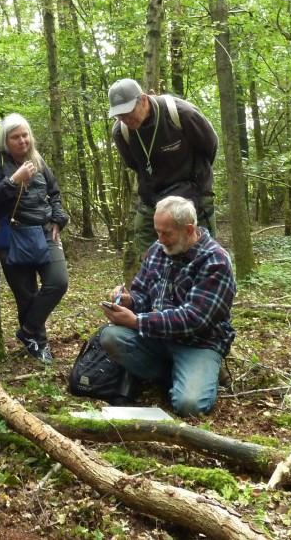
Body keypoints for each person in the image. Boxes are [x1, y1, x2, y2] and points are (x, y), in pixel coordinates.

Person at [98, 196, 236, 417]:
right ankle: (173, 374)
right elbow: (143, 293)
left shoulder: (215, 261)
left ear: (188, 229)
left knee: (190, 405)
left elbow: (194, 319)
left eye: (167, 233)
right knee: (110, 337)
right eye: (157, 232)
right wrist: (129, 301)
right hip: (158, 337)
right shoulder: (157, 249)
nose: (160, 239)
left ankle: (197, 372)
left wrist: (137, 322)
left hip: (198, 343)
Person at [0, 114, 69, 363]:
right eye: (15, 137)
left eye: (25, 135)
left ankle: (27, 330)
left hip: (45, 231)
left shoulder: (37, 159)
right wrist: (14, 180)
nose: (22, 141)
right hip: (14, 234)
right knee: (26, 294)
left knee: (58, 282)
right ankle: (38, 343)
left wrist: (58, 219)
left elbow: (54, 193)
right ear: (5, 140)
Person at [107, 78, 219, 266]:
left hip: (193, 196)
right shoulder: (121, 132)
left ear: (143, 100)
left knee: (203, 260)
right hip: (153, 199)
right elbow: (134, 164)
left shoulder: (181, 114)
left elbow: (210, 146)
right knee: (150, 260)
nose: (125, 119)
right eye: (120, 115)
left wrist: (196, 181)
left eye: (128, 112)